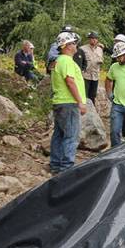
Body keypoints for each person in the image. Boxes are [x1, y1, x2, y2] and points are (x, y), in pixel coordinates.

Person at [50, 32, 87, 174]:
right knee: (71, 136)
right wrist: (81, 102)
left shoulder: (59, 60)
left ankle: (55, 165)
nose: (75, 45)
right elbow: (70, 82)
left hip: (60, 103)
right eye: (73, 43)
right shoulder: (66, 61)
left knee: (59, 134)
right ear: (66, 46)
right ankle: (66, 169)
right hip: (69, 103)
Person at [79, 32, 104, 103]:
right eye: (92, 38)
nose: (94, 40)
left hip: (95, 75)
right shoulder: (82, 49)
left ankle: (92, 112)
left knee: (93, 96)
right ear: (89, 39)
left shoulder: (100, 49)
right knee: (84, 95)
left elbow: (101, 59)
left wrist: (100, 61)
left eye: (95, 38)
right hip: (85, 75)